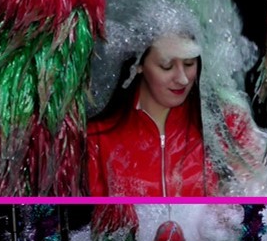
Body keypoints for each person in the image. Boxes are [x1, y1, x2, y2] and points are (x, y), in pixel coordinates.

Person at [87, 32, 216, 196]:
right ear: (138, 65)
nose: (182, 79)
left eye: (189, 63)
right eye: (166, 66)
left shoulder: (218, 129)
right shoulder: (96, 139)